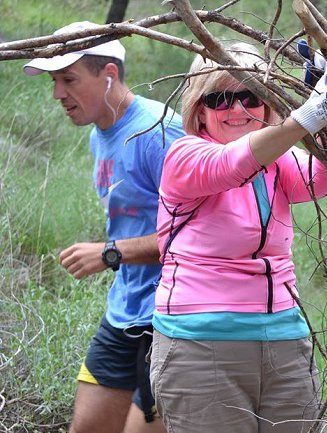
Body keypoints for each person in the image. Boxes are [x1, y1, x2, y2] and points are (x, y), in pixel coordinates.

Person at [149, 41, 327, 432]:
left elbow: (322, 179)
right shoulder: (185, 156)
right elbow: (232, 164)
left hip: (284, 337)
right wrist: (310, 114)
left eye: (251, 95)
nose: (238, 109)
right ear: (199, 110)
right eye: (220, 98)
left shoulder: (278, 160)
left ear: (267, 102)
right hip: (201, 345)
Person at [23, 21, 184, 433]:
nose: (58, 93)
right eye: (55, 81)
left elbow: (197, 233)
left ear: (108, 75)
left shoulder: (157, 132)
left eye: (69, 80)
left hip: (172, 320)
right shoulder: (100, 134)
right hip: (123, 313)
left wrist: (109, 252)